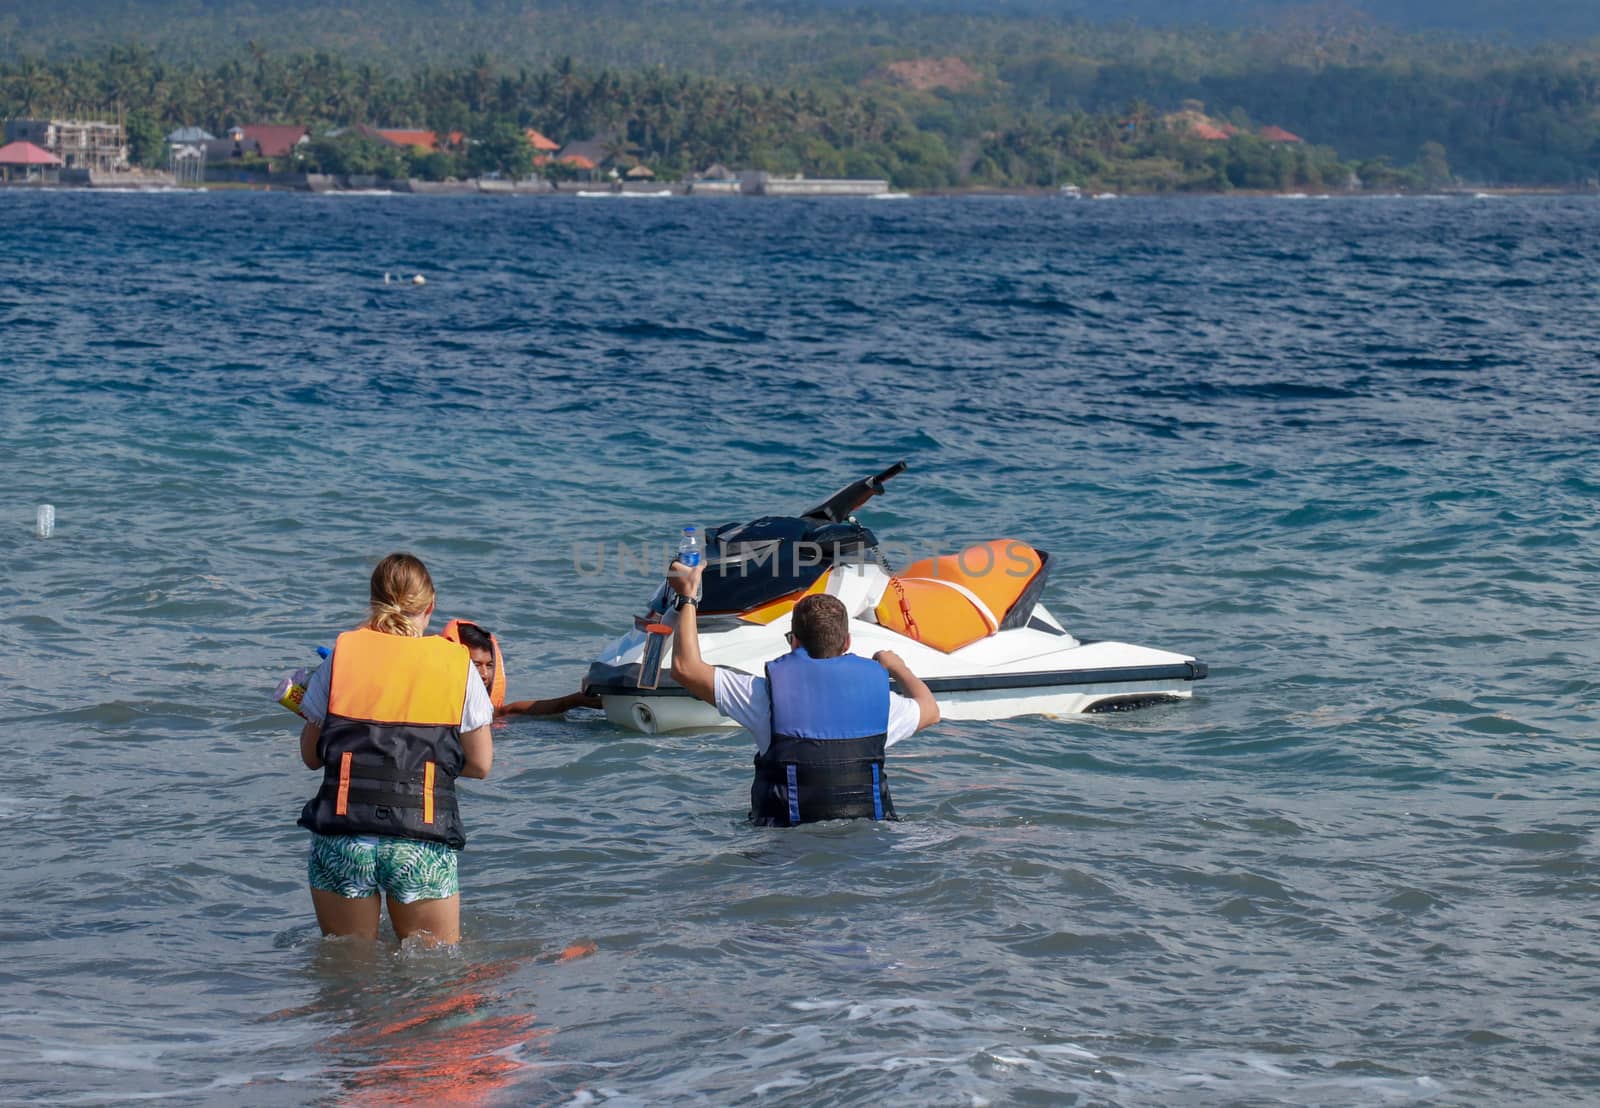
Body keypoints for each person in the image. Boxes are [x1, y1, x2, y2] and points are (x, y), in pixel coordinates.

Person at [296, 552, 494, 944]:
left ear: (373, 603)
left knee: (348, 974)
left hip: (344, 838)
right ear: (430, 606)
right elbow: (481, 764)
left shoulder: (340, 656)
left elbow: (311, 756)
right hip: (419, 841)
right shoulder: (458, 665)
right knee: (434, 982)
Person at [667, 561, 940, 826]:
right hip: (868, 848)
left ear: (794, 641)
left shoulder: (763, 697)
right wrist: (897, 666)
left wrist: (688, 597)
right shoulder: (881, 704)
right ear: (847, 642)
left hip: (786, 848)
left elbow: (685, 668)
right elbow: (930, 709)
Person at [442, 619, 600, 717]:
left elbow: (509, 711)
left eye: (489, 666)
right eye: (476, 665)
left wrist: (575, 700)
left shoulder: (481, 709)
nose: (484, 674)